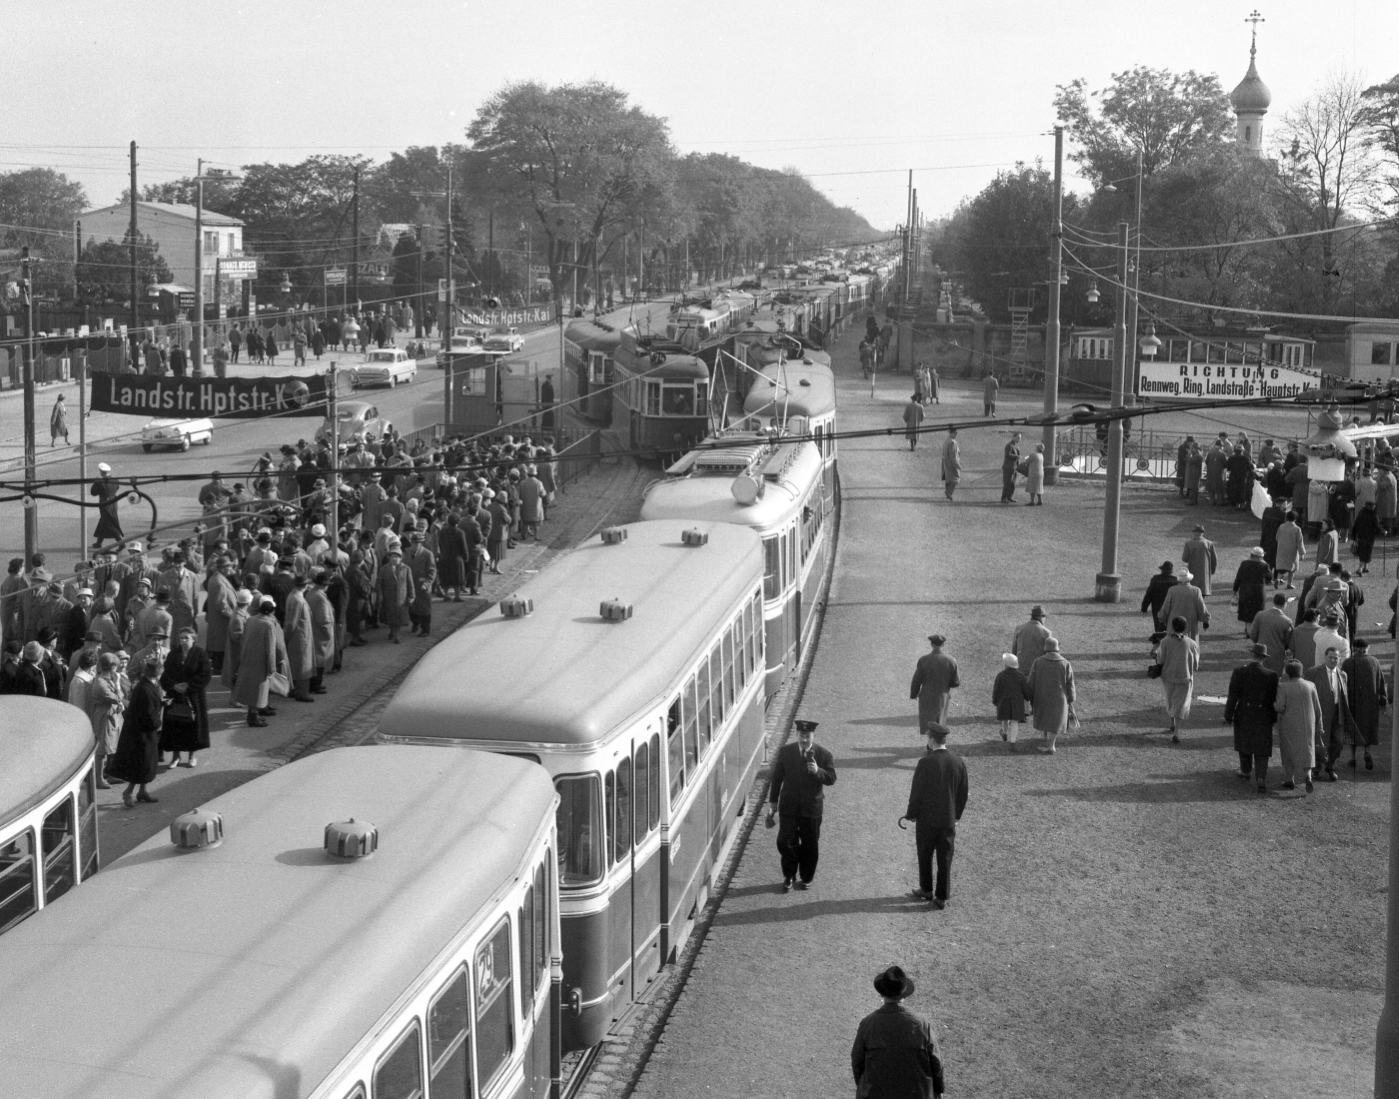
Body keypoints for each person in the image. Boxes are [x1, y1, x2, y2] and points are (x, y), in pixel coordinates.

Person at [850, 966, 945, 1099]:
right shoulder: (921, 1024)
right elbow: (935, 1061)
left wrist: (863, 1087)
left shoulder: (868, 1024)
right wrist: (939, 1089)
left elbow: (857, 1060)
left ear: (882, 994)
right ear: (904, 994)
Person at [901, 722, 968, 908]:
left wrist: (911, 813)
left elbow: (917, 792)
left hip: (927, 819)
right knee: (945, 857)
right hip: (947, 819)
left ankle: (926, 888)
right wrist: (956, 815)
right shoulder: (958, 761)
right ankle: (942, 896)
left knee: (925, 854)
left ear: (931, 739)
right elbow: (963, 792)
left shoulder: (925, 762)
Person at [765, 720, 836, 892]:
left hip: (811, 808)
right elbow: (777, 778)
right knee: (785, 841)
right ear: (796, 735)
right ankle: (789, 875)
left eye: (807, 736)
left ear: (813, 736)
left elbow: (831, 778)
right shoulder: (786, 752)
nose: (804, 739)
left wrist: (818, 771)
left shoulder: (823, 754)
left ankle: (806, 877)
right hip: (789, 806)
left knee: (810, 844)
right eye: (801, 736)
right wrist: (773, 803)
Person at [105, 651, 165, 807]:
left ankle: (142, 791)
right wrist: (158, 722)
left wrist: (163, 703)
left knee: (146, 765)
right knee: (140, 765)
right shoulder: (145, 689)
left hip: (143, 732)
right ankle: (128, 793)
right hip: (142, 733)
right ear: (157, 673)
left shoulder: (148, 684)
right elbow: (148, 715)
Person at [159, 626, 211, 768]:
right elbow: (166, 675)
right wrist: (174, 686)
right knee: (176, 725)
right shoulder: (173, 654)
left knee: (193, 725)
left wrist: (189, 686)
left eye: (186, 638)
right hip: (176, 696)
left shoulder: (200, 654)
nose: (183, 641)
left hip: (194, 697)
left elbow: (205, 674)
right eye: (181, 638)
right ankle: (175, 757)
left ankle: (192, 756)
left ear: (193, 639)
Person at [1304, 646, 1356, 783]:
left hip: (1337, 713)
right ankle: (1316, 768)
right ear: (1325, 657)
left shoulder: (1343, 675)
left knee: (1338, 743)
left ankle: (1330, 765)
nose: (1333, 660)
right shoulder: (1314, 672)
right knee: (1319, 741)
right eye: (1330, 657)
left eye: (1336, 658)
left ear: (1339, 659)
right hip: (1319, 713)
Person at [232, 597, 286, 727]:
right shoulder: (268, 625)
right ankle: (253, 716)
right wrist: (272, 667)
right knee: (259, 690)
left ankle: (253, 714)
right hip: (261, 661)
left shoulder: (251, 619)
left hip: (248, 658)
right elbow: (271, 648)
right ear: (271, 611)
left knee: (251, 688)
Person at [1274, 660, 1324, 793]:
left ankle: (1289, 779)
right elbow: (1317, 708)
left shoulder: (1283, 687)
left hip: (1289, 723)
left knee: (1288, 749)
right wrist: (1320, 725)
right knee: (1307, 749)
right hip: (1308, 723)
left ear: (1288, 672)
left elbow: (1279, 707)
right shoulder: (1311, 685)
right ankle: (1308, 776)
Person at [1342, 637, 1388, 771]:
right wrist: (1383, 700)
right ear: (1366, 648)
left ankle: (1352, 757)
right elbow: (1381, 682)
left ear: (1354, 648)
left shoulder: (1348, 662)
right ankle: (1366, 751)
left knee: (1353, 728)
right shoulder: (1374, 661)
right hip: (1370, 702)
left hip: (1352, 701)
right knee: (1368, 727)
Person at [1027, 638, 1075, 753]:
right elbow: (1070, 683)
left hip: (1041, 695)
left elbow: (1031, 680)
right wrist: (1072, 698)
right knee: (1056, 721)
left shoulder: (1038, 662)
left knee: (1045, 717)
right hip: (1059, 698)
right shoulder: (1065, 663)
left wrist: (1029, 695)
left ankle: (1046, 736)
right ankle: (1051, 745)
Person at [909, 635, 959, 734]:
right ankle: (937, 744)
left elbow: (917, 680)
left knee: (928, 722)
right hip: (942, 696)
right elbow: (956, 682)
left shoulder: (923, 660)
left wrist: (914, 694)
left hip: (927, 696)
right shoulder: (951, 660)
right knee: (940, 721)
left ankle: (930, 745)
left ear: (931, 644)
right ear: (943, 644)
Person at [283, 575, 316, 702]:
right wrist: (286, 636)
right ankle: (302, 692)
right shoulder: (298, 599)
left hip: (299, 635)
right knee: (303, 665)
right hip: (300, 636)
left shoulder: (293, 595)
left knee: (297, 663)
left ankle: (295, 689)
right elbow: (292, 622)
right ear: (306, 586)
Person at [1248, 592, 1294, 675]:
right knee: (1274, 680)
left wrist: (1259, 642)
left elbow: (1252, 633)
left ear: (1273, 601)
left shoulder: (1260, 615)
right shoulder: (1287, 621)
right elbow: (1288, 641)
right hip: (1277, 656)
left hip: (1260, 653)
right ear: (1285, 604)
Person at [1159, 568, 1209, 643]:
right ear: (1189, 579)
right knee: (1190, 647)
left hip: (1173, 626)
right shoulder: (1196, 590)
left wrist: (1162, 619)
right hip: (1190, 626)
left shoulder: (1172, 590)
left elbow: (1165, 608)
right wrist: (1205, 620)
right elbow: (1201, 608)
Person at [377, 545, 415, 643]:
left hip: (401, 598)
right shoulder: (384, 569)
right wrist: (380, 595)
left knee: (399, 617)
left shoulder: (406, 569)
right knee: (390, 617)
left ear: (401, 558)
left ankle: (396, 635)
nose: (394, 559)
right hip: (388, 598)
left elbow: (410, 584)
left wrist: (412, 596)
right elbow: (379, 583)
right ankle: (392, 631)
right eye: (392, 556)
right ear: (389, 558)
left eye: (397, 557)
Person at [992, 654, 1029, 749]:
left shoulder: (1000, 675)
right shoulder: (1021, 676)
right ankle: (1013, 742)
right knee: (1015, 721)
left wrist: (995, 701)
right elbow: (1026, 691)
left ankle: (1004, 733)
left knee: (1005, 718)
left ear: (1006, 665)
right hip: (1017, 702)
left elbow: (996, 690)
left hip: (1004, 701)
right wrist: (1028, 697)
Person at [404, 532, 437, 636]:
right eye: (413, 542)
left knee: (424, 609)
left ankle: (425, 629)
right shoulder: (407, 551)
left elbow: (432, 571)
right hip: (410, 584)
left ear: (421, 543)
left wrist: (427, 584)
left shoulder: (427, 554)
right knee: (411, 606)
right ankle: (415, 623)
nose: (415, 544)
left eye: (417, 543)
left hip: (422, 585)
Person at [1232, 548, 1272, 631]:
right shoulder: (1265, 565)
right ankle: (1252, 629)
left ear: (1251, 555)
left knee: (1246, 609)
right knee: (1258, 610)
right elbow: (1270, 577)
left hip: (1245, 590)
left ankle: (1247, 628)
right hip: (1259, 591)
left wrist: (1235, 589)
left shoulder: (1244, 564)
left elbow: (1238, 578)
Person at [90, 463, 125, 547]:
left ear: (101, 472)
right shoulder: (115, 480)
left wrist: (95, 483)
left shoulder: (100, 482)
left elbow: (93, 493)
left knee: (109, 522)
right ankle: (99, 543)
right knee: (104, 521)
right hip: (114, 502)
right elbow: (117, 488)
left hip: (105, 503)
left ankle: (121, 542)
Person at [1141, 561, 1178, 635]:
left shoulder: (1156, 579)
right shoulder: (1175, 581)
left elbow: (1149, 594)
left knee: (1158, 627)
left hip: (1157, 607)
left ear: (1162, 570)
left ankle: (1160, 639)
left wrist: (1144, 607)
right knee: (1170, 626)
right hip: (1171, 607)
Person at [1011, 606, 1051, 673]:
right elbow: (1050, 655)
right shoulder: (1046, 632)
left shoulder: (1019, 628)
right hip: (1037, 670)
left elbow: (1014, 651)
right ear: (1041, 617)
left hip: (1021, 669)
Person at [1181, 525, 1217, 597]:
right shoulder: (1209, 543)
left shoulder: (1189, 543)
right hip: (1204, 574)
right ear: (1202, 533)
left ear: (1195, 533)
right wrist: (1212, 571)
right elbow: (1214, 560)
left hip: (1192, 573)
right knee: (1202, 596)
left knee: (1192, 594)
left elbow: (1185, 558)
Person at [1274, 510, 1306, 587]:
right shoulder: (1297, 529)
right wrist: (1302, 553)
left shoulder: (1281, 526)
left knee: (1281, 566)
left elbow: (1277, 537)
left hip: (1281, 549)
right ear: (1295, 519)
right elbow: (1300, 542)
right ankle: (1289, 583)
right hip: (1292, 551)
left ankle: (1278, 579)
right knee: (1292, 568)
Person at [1353, 500, 1381, 576]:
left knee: (1362, 551)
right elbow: (1376, 526)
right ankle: (1360, 569)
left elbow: (1356, 524)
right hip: (1370, 536)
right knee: (1367, 552)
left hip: (1361, 536)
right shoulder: (1373, 514)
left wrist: (1354, 536)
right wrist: (1383, 531)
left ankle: (1365, 567)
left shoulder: (1361, 513)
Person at [940, 428, 960, 501]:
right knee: (955, 479)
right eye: (955, 433)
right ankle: (948, 492)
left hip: (945, 461)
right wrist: (957, 465)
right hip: (951, 463)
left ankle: (948, 493)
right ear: (951, 433)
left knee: (948, 479)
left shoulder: (947, 440)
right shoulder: (952, 442)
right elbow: (953, 455)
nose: (956, 434)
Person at [1000, 432, 1021, 504]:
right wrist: (1016, 456)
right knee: (1007, 483)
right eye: (1018, 437)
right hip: (1008, 467)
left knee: (1013, 484)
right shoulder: (1009, 445)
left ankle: (1009, 497)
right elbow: (1007, 454)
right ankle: (1004, 498)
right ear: (1014, 437)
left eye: (1020, 438)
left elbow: (1018, 456)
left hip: (1014, 468)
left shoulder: (1017, 446)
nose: (1019, 439)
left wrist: (1018, 465)